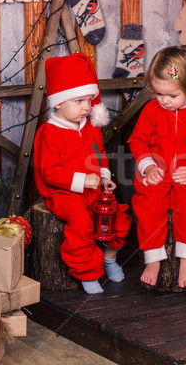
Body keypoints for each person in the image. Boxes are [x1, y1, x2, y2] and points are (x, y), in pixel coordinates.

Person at [34, 53, 131, 295]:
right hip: (62, 192)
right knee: (80, 221)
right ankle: (88, 271)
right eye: (78, 101)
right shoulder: (50, 132)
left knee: (117, 216)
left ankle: (109, 258)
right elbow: (49, 171)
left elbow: (100, 156)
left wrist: (105, 177)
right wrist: (81, 180)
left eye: (89, 100)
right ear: (58, 103)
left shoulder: (89, 128)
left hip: (94, 187)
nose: (87, 107)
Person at [129, 46, 186, 288]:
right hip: (157, 172)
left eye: (172, 96)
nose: (165, 101)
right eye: (159, 94)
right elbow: (138, 140)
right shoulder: (152, 109)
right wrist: (148, 167)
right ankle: (153, 258)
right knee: (148, 204)